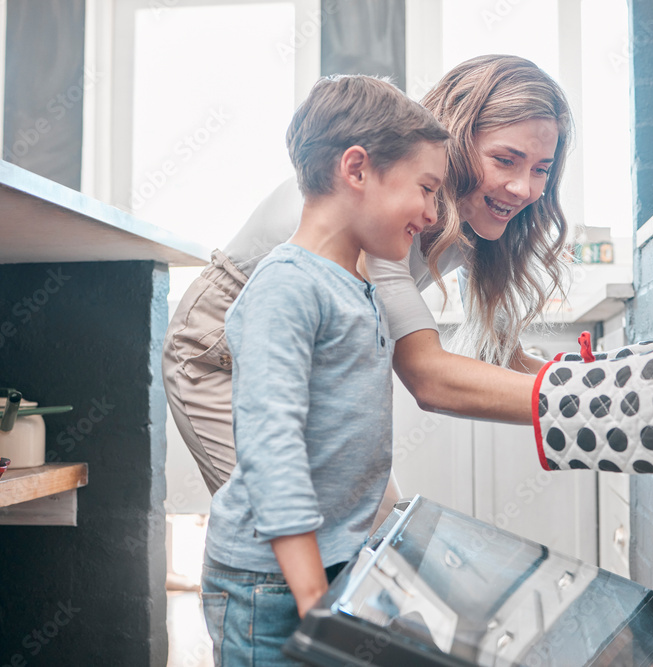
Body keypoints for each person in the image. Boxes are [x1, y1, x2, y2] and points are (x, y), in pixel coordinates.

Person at [163, 55, 572, 503]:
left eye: (541, 169)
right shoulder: (381, 196)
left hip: (320, 355)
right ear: (456, 138)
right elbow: (429, 379)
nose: (525, 189)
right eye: (505, 159)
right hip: (222, 350)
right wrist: (595, 402)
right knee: (293, 532)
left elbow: (503, 361)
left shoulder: (469, 212)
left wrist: (597, 381)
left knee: (379, 536)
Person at [200, 74, 449, 666]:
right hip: (271, 584)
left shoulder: (355, 284)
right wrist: (315, 599)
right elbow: (272, 447)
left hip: (329, 563)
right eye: (427, 189)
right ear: (357, 169)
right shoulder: (287, 286)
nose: (434, 214)